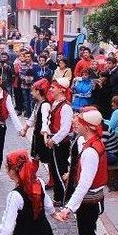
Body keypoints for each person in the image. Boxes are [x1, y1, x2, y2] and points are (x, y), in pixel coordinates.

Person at [57, 107, 107, 235]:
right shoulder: (91, 144)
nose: (76, 124)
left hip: (89, 202)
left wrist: (68, 208)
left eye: (79, 123)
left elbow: (84, 184)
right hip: (92, 199)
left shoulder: (90, 151)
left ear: (88, 126)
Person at [46, 78, 74, 206]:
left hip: (61, 144)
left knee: (60, 170)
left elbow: (65, 129)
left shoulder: (66, 107)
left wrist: (54, 140)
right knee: (55, 169)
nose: (51, 89)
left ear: (61, 89)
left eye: (53, 87)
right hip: (55, 141)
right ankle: (59, 195)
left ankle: (63, 196)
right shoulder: (55, 103)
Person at [20, 79, 51, 166]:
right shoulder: (38, 103)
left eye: (32, 91)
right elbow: (33, 118)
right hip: (37, 135)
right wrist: (25, 129)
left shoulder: (45, 105)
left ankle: (51, 179)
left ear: (38, 91)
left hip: (43, 137)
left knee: (47, 160)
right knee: (35, 158)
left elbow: (45, 122)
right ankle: (30, 177)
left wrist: (45, 136)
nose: (31, 93)